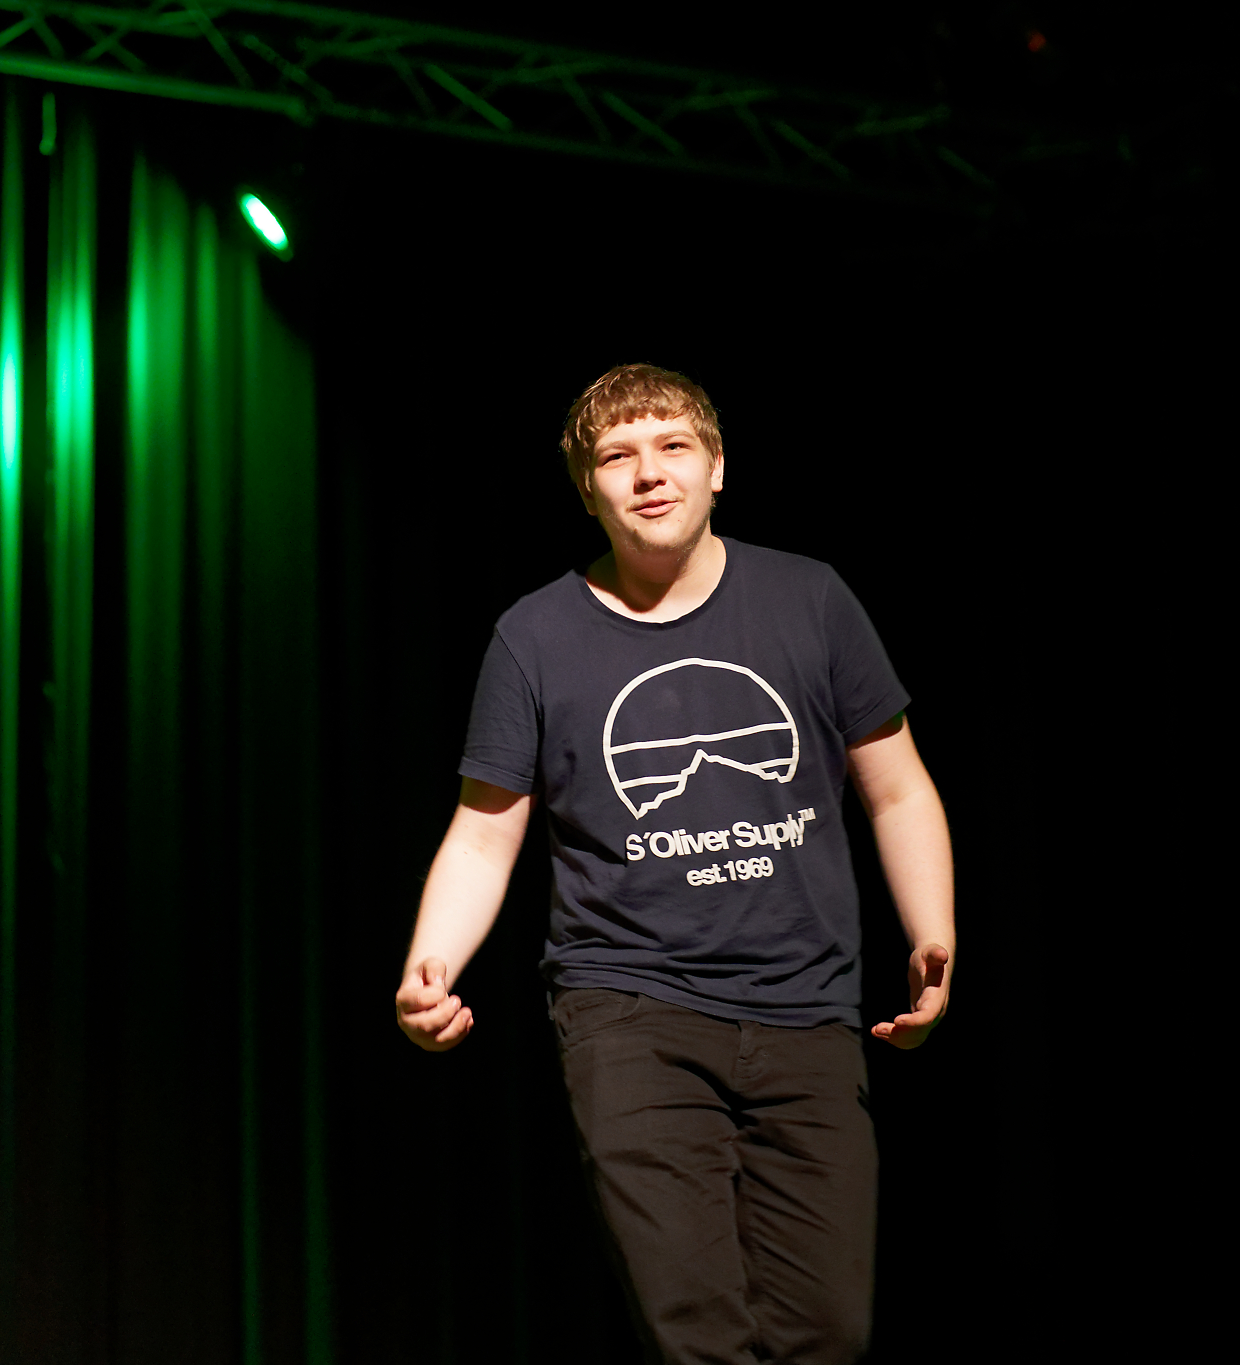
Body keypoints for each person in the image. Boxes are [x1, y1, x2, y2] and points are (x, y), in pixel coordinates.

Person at [392, 363, 955, 1365]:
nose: (648, 473)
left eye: (672, 447)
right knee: (696, 1328)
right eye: (617, 456)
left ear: (717, 467)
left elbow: (896, 786)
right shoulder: (533, 636)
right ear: (586, 489)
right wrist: (428, 965)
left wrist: (931, 933)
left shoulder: (809, 599)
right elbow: (484, 831)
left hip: (806, 1004)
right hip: (630, 1009)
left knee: (828, 1329)